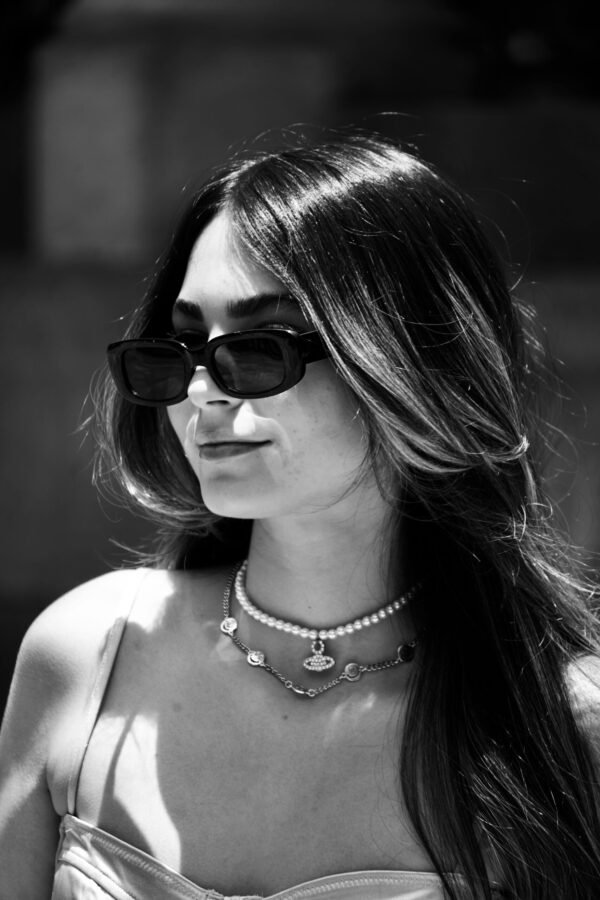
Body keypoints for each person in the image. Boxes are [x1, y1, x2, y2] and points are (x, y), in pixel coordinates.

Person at [1, 131, 599, 900]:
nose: (201, 389)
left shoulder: (562, 727)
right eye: (185, 343)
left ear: (409, 361)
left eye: (262, 345)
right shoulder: (83, 654)